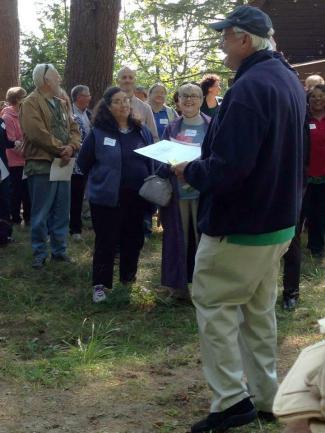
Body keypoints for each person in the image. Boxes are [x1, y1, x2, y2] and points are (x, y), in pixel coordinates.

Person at [172, 6, 306, 432]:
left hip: (242, 224)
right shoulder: (286, 79)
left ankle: (231, 401)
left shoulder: (250, 89)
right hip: (278, 221)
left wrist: (188, 170)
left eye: (225, 36)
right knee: (257, 308)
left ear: (245, 39)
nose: (221, 45)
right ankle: (267, 396)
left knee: (214, 301)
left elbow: (230, 167)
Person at [77, 87, 154, 303]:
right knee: (106, 241)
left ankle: (128, 280)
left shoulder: (142, 131)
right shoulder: (98, 133)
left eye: (126, 101)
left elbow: (150, 161)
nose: (124, 105)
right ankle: (100, 285)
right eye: (118, 101)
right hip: (106, 199)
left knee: (134, 239)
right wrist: (100, 181)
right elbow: (84, 163)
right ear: (108, 107)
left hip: (137, 197)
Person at [20, 63, 80, 269]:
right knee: (41, 212)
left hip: (63, 163)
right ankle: (39, 253)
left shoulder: (62, 103)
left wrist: (72, 147)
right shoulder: (30, 102)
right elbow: (36, 133)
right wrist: (61, 149)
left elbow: (74, 127)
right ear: (46, 80)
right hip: (41, 165)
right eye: (56, 77)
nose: (60, 80)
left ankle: (59, 251)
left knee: (62, 210)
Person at [159, 83, 210, 301]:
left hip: (203, 193)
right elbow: (160, 158)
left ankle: (204, 289)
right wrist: (171, 165)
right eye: (184, 96)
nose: (189, 100)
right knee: (178, 240)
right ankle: (177, 289)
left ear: (201, 99)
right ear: (177, 100)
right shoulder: (171, 127)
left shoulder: (212, 125)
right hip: (178, 194)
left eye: (194, 96)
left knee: (204, 243)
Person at [1, 87, 31, 226]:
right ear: (17, 99)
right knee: (16, 192)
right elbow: (12, 142)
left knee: (27, 191)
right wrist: (29, 152)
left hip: (26, 160)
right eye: (24, 97)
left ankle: (28, 217)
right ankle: (15, 219)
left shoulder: (24, 114)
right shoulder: (7, 117)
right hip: (14, 162)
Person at [304, 85, 325, 258]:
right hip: (306, 174)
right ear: (308, 99)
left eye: (321, 96)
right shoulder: (304, 119)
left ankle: (318, 245)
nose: (317, 99)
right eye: (313, 97)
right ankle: (311, 246)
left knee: (321, 211)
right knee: (306, 211)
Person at [70, 84, 92, 241]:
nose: (90, 97)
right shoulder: (69, 113)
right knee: (74, 195)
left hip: (87, 163)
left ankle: (80, 224)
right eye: (87, 94)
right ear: (79, 97)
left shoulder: (89, 115)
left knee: (82, 194)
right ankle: (74, 229)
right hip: (73, 163)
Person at [117, 66, 159, 141]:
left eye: (130, 77)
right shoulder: (108, 106)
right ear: (117, 81)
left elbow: (154, 137)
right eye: (124, 77)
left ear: (135, 81)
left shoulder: (145, 108)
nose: (127, 80)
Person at [0, 117, 15, 246]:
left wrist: (15, 143)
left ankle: (4, 235)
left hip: (3, 168)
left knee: (4, 200)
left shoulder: (1, 121)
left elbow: (5, 142)